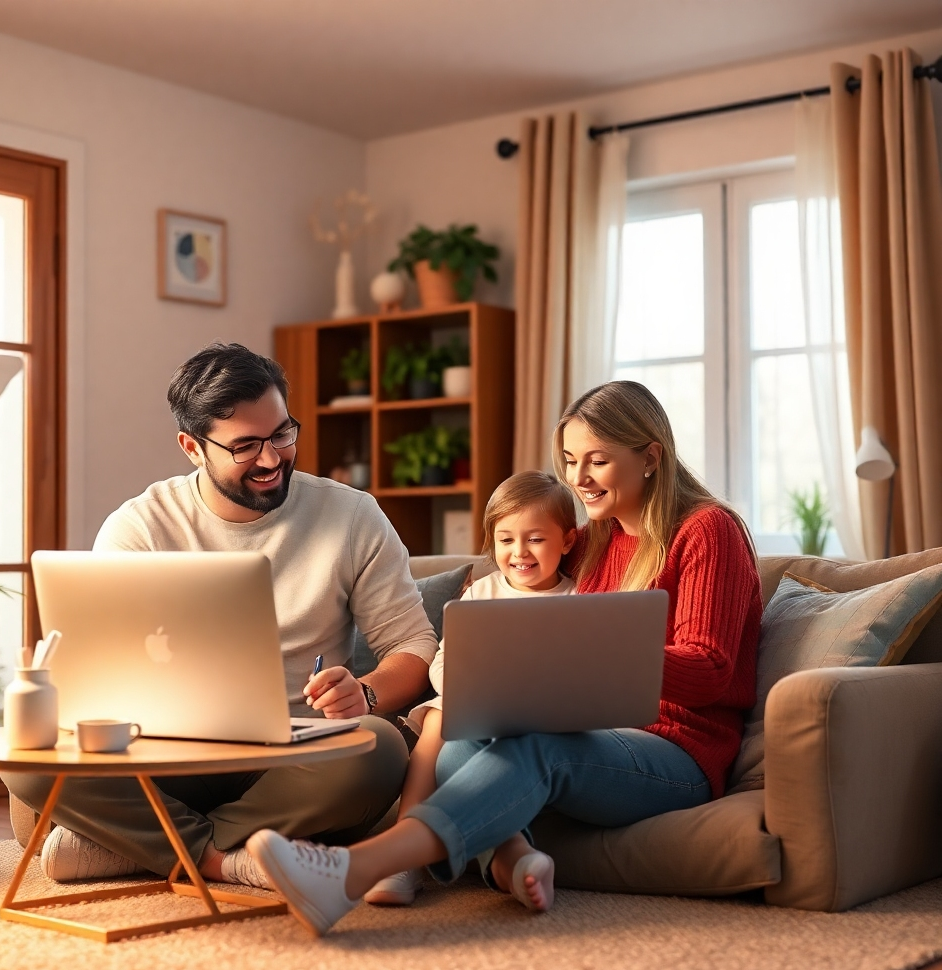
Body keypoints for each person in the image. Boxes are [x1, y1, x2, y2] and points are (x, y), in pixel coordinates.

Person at [245, 379, 763, 937]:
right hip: (596, 731)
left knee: (539, 749)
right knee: (457, 736)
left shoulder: (707, 529)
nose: (578, 480)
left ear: (650, 457)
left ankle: (356, 869)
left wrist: (591, 649)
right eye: (568, 460)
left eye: (597, 462)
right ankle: (510, 858)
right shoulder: (591, 543)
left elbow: (710, 669)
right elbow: (521, 574)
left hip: (678, 753)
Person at [2, 342, 439, 889]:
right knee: (22, 757)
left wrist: (368, 693)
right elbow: (99, 670)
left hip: (292, 757)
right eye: (246, 445)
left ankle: (142, 845)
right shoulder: (139, 528)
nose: (272, 458)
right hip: (163, 754)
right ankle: (222, 859)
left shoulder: (350, 515)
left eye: (282, 433)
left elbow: (415, 646)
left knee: (377, 751)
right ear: (192, 447)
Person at [364, 470, 578, 906]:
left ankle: (509, 859)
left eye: (536, 539)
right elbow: (442, 665)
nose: (519, 552)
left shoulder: (577, 598)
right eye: (505, 540)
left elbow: (580, 672)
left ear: (568, 541)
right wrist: (467, 685)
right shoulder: (482, 592)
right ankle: (405, 860)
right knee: (438, 721)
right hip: (477, 701)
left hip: (540, 715)